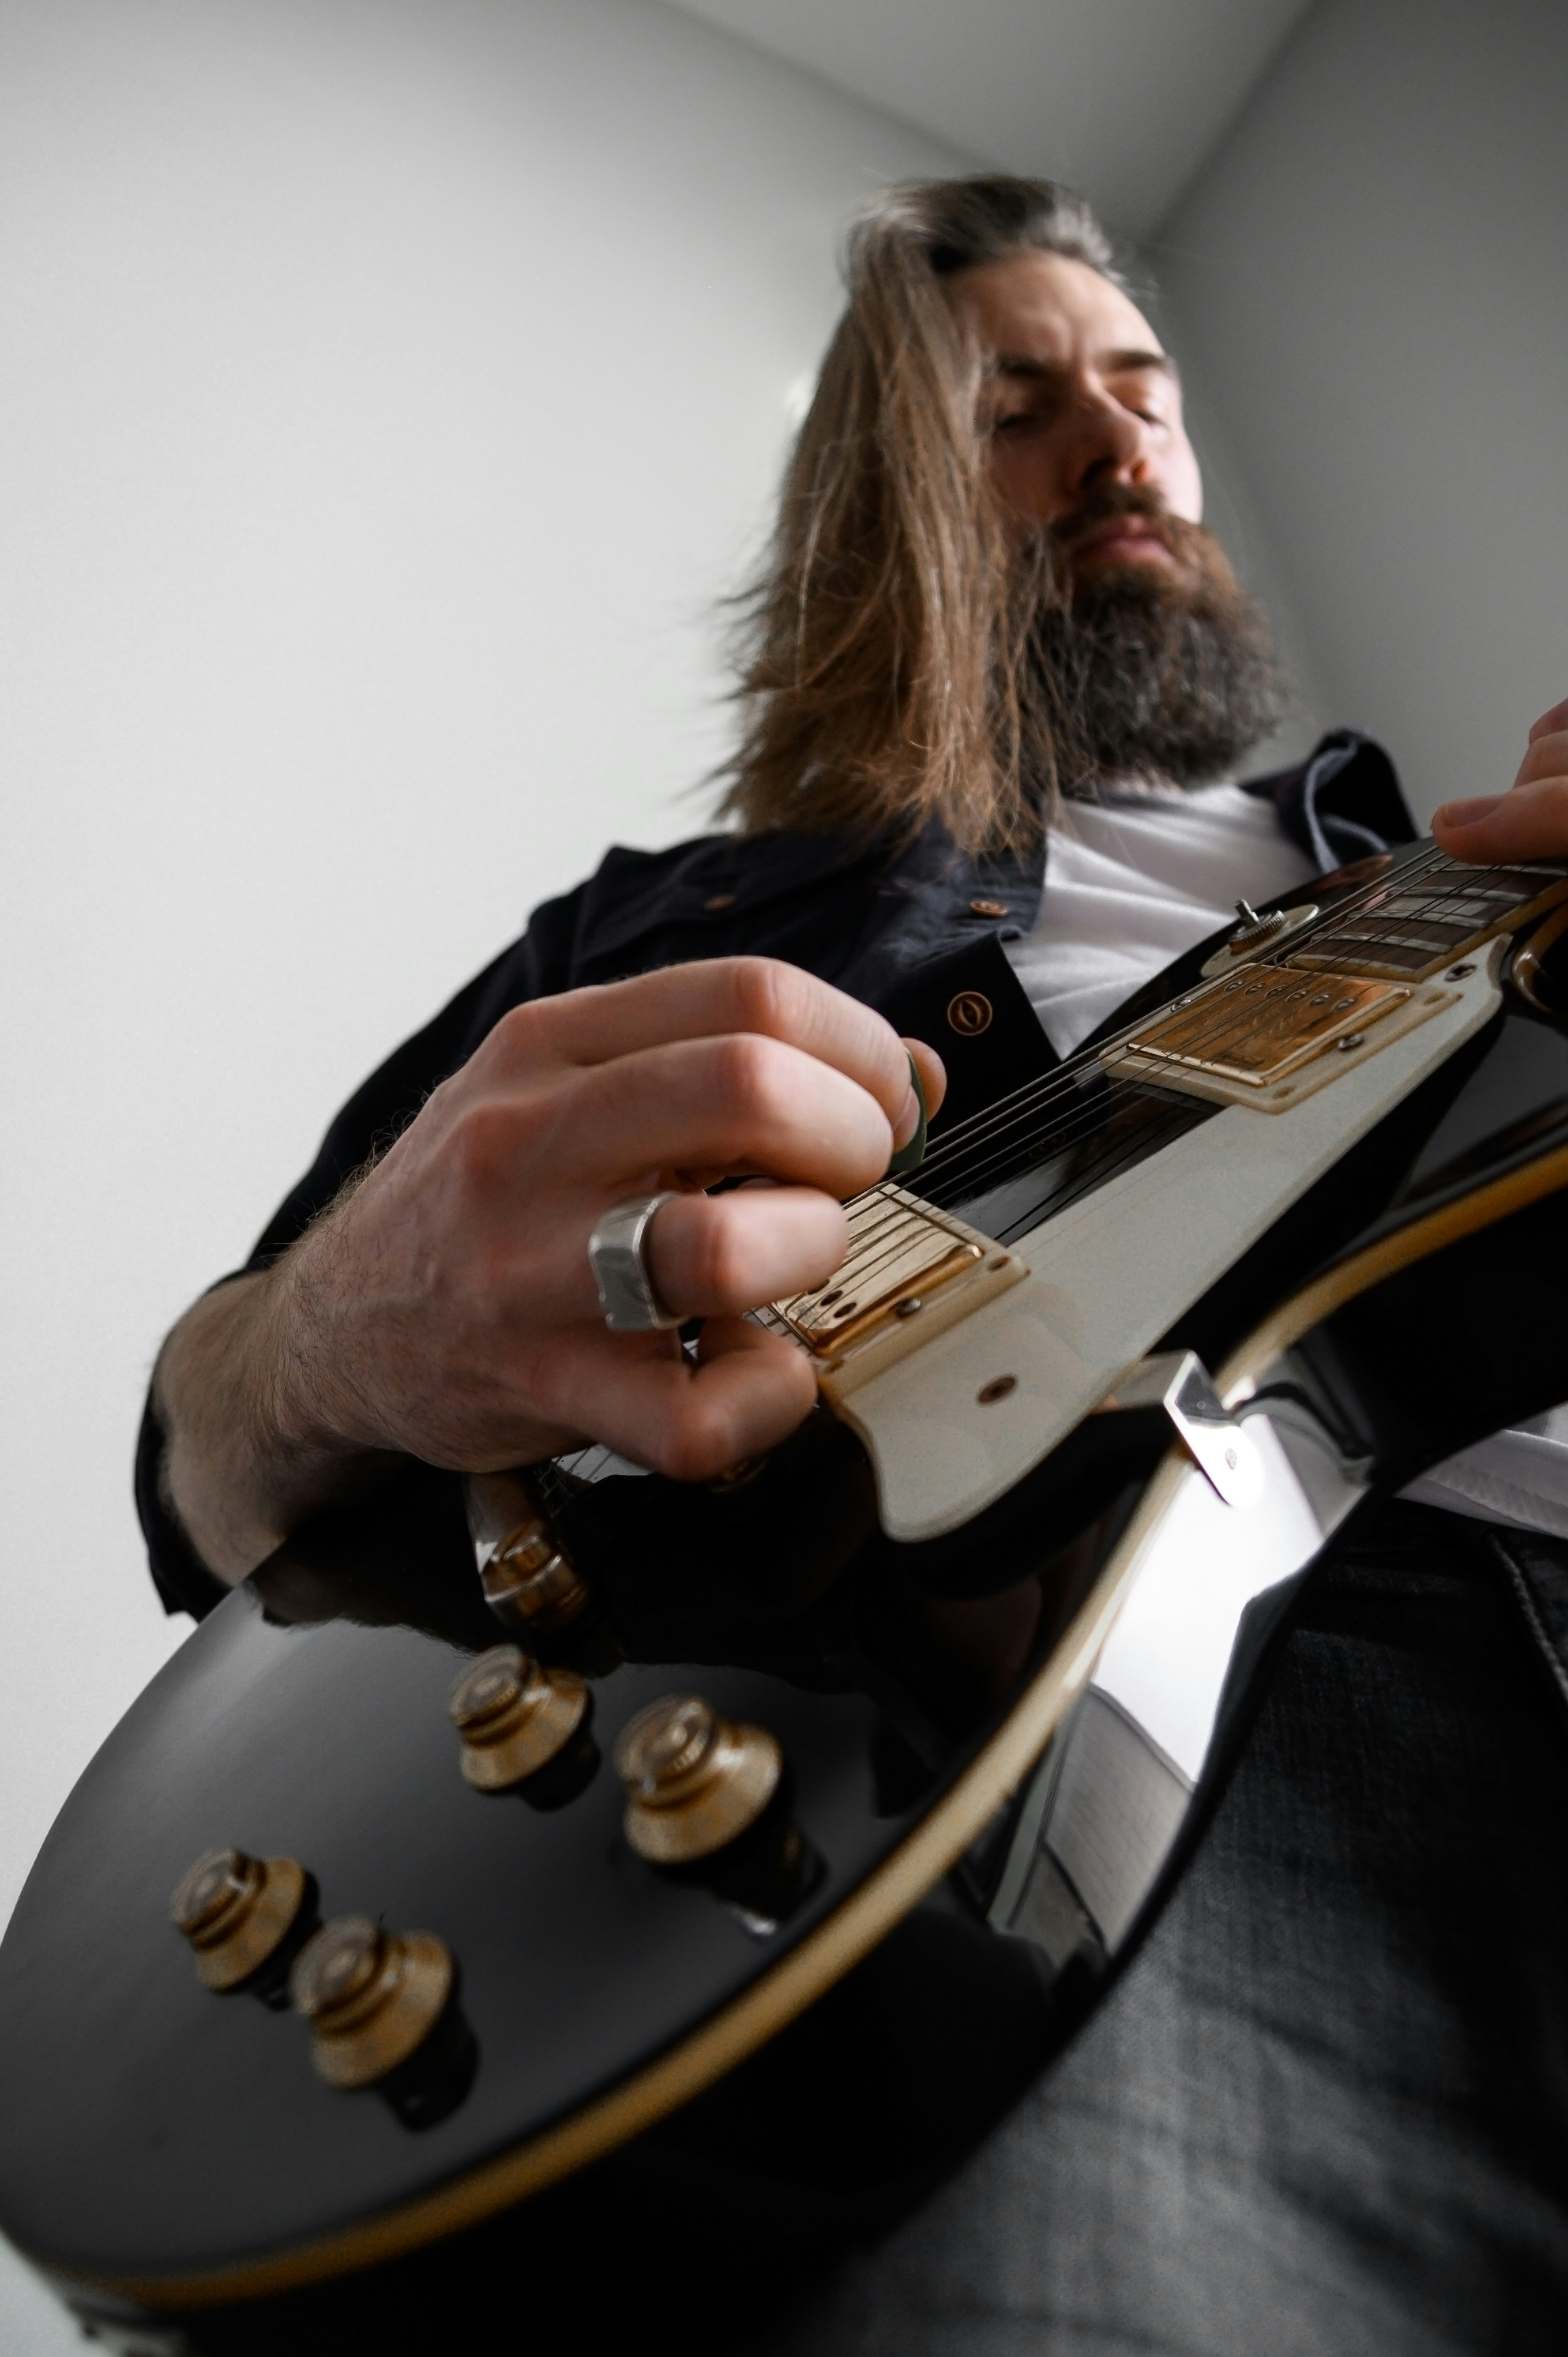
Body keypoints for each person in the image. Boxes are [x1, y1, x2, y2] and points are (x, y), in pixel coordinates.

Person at [140, 179, 1568, 2349]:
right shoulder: (673, 923)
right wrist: (334, 1330)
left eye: (1146, 391)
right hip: (1151, 1720)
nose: (1119, 446)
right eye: (1018, 403)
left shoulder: (1415, 860)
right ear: (883, 506)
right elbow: (192, 1461)